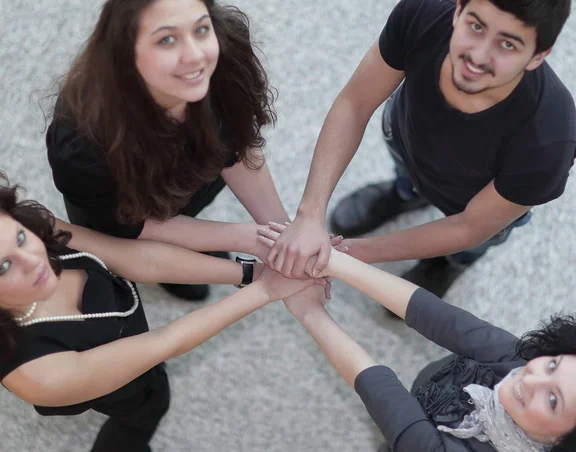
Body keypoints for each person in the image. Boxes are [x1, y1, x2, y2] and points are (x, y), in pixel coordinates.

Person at [0, 170, 315, 452]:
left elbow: (135, 259)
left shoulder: (38, 227)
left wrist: (249, 273)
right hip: (120, 389)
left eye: (20, 239)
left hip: (133, 328)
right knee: (145, 410)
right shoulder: (35, 374)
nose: (33, 260)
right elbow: (168, 340)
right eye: (4, 267)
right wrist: (266, 290)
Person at [265, 0, 576, 299]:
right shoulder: (422, 13)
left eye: (507, 44)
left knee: (468, 245)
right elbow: (354, 104)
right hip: (406, 140)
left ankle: (447, 263)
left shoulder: (551, 140)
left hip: (472, 202)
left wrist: (346, 255)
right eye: (476, 26)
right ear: (458, 10)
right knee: (405, 175)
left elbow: (469, 226)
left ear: (538, 55)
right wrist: (309, 215)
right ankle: (403, 195)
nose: (478, 56)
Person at [46, 0, 292, 301]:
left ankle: (191, 240)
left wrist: (282, 235)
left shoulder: (228, 53)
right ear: (125, 51)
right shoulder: (81, 138)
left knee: (189, 205)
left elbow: (236, 145)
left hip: (186, 182)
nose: (195, 56)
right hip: (125, 210)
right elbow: (130, 226)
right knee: (126, 251)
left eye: (201, 29)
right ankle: (185, 251)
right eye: (166, 39)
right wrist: (249, 239)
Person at [259, 223, 576, 452]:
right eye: (552, 366)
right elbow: (437, 317)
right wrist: (333, 261)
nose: (530, 379)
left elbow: (382, 391)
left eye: (552, 400)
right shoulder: (522, 359)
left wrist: (309, 312)